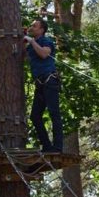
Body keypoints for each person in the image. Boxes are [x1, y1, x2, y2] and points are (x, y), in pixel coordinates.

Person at [24, 18, 63, 153]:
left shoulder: (46, 41)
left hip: (49, 81)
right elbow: (23, 57)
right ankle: (47, 146)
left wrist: (31, 41)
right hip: (40, 84)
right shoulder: (31, 46)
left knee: (54, 113)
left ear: (41, 30)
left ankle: (58, 147)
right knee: (35, 116)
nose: (31, 27)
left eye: (34, 26)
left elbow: (44, 54)